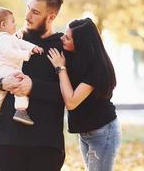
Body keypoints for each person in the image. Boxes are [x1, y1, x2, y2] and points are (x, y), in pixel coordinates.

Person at [0, 0, 65, 171]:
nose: (27, 16)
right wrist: (1, 83)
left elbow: (69, 94)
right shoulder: (10, 40)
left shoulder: (61, 46)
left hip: (45, 146)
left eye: (35, 12)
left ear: (51, 17)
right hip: (7, 141)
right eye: (28, 8)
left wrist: (33, 87)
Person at [47, 17, 121, 171]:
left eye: (67, 37)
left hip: (102, 132)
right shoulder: (74, 55)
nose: (62, 38)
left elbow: (71, 102)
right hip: (85, 132)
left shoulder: (97, 68)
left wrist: (60, 68)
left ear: (80, 43)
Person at [0, 7, 44, 130]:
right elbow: (10, 52)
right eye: (13, 21)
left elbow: (21, 43)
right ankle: (21, 110)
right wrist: (26, 54)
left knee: (0, 93)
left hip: (1, 70)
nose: (15, 24)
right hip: (6, 69)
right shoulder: (3, 39)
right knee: (19, 82)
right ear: (3, 24)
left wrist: (32, 47)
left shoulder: (7, 37)